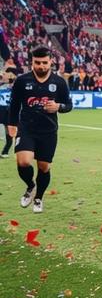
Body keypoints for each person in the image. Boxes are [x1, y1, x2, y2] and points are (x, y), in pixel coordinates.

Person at [7, 42, 72, 213]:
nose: (41, 66)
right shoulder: (22, 81)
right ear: (32, 62)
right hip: (26, 128)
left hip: (48, 131)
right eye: (37, 62)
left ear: (51, 61)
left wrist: (59, 107)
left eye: (44, 62)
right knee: (23, 162)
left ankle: (38, 198)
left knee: (43, 167)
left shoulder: (59, 82)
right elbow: (14, 105)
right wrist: (12, 124)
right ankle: (30, 186)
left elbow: (69, 105)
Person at [0, 63, 17, 157]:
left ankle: (5, 151)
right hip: (1, 107)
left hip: (8, 109)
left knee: (8, 130)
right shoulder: (2, 83)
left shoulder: (16, 84)